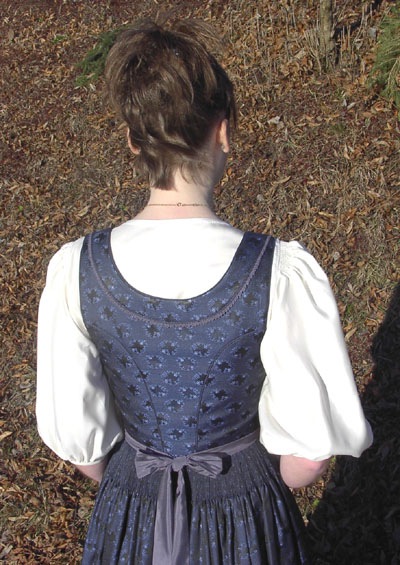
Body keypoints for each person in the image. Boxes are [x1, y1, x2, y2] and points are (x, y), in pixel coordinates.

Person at [36, 19, 373, 565]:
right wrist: (256, 483)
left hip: (132, 510)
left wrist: (134, 478)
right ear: (222, 131)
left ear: (133, 139)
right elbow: (307, 460)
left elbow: (80, 443)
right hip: (246, 511)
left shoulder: (77, 268)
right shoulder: (276, 271)